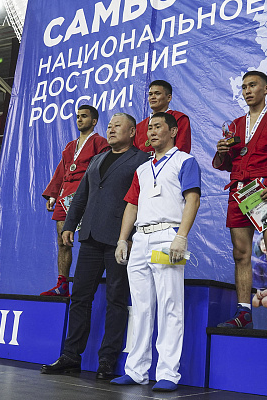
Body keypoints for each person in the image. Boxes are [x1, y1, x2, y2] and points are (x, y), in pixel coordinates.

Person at [40, 113, 150, 379]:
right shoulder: (97, 159)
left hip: (119, 240)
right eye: (109, 126)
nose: (111, 130)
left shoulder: (142, 160)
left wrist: (132, 235)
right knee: (80, 298)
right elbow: (81, 196)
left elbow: (144, 202)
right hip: (89, 237)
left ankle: (107, 361)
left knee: (116, 301)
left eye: (117, 126)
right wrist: (69, 225)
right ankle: (70, 356)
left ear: (132, 132)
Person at [111, 112, 201, 392]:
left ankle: (168, 373)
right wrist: (123, 239)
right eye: (149, 127)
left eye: (157, 127)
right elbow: (132, 205)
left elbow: (192, 199)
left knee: (170, 305)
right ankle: (136, 370)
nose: (151, 132)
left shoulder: (185, 161)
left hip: (167, 235)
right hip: (140, 238)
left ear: (173, 131)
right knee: (140, 307)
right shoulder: (142, 168)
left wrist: (181, 236)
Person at [213, 70, 267, 331]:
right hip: (239, 191)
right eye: (244, 87)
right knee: (240, 254)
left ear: (266, 88)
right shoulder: (236, 124)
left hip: (264, 190)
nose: (247, 91)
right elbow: (228, 164)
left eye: (252, 85)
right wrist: (222, 152)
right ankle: (243, 313)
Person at [41, 105, 110, 296]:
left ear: (94, 121)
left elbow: (103, 171)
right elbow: (61, 171)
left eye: (84, 116)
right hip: (65, 196)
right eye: (78, 116)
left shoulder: (100, 143)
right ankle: (62, 284)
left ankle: (87, 282)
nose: (79, 119)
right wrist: (53, 195)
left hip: (87, 195)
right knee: (62, 240)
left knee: (90, 240)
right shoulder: (70, 146)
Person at [134, 80, 191, 154]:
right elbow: (134, 155)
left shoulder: (179, 118)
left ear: (169, 97)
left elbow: (182, 148)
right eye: (150, 94)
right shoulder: (139, 127)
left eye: (157, 93)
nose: (152, 97)